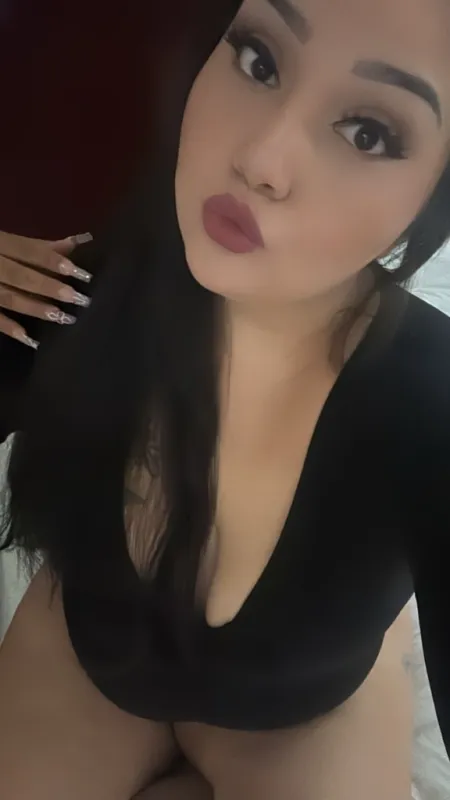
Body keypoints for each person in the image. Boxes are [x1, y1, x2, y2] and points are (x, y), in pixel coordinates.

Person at [0, 0, 449, 797]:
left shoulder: (430, 398)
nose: (262, 159)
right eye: (257, 60)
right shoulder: (70, 286)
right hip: (87, 668)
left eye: (368, 133)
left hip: (306, 717)